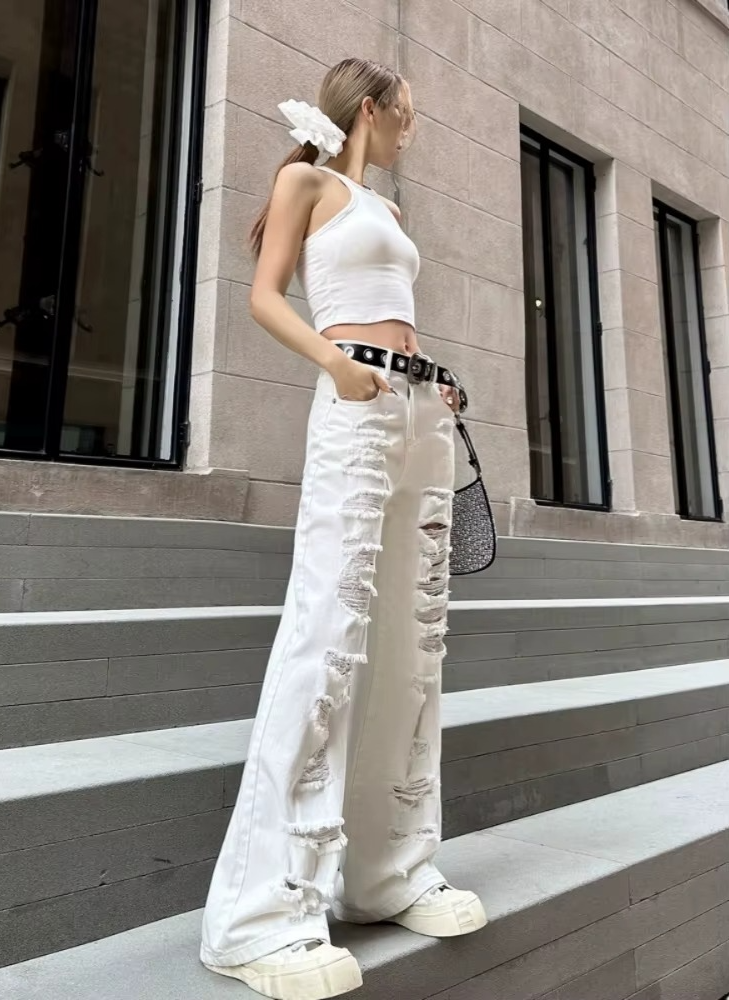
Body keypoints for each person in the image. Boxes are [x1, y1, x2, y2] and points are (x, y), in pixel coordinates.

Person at [200, 57, 487, 1000]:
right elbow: (264, 296)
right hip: (356, 403)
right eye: (407, 112)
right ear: (372, 107)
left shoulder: (388, 212)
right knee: (329, 631)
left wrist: (432, 381)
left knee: (414, 638)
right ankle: (262, 914)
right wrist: (336, 363)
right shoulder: (306, 181)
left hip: (417, 409)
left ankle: (388, 871)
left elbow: (398, 314)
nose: (414, 127)